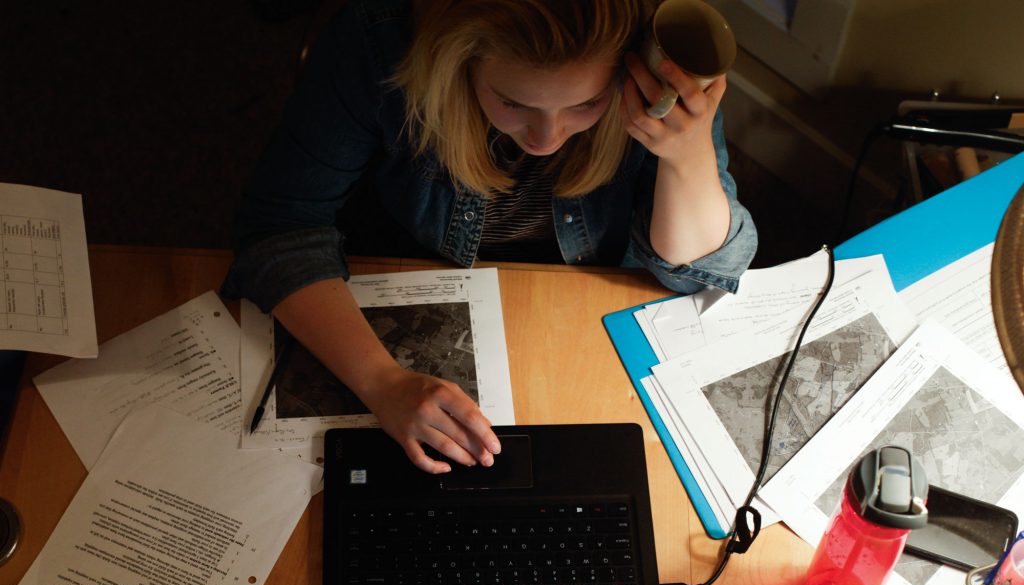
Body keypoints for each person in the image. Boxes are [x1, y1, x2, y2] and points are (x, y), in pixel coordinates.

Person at [222, 0, 757, 474]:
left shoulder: (662, 61)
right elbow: (282, 228)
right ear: (460, 61)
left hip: (572, 316)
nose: (546, 140)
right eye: (514, 103)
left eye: (585, 104)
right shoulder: (377, 41)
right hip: (411, 270)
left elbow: (698, 273)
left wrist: (687, 156)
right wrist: (383, 383)